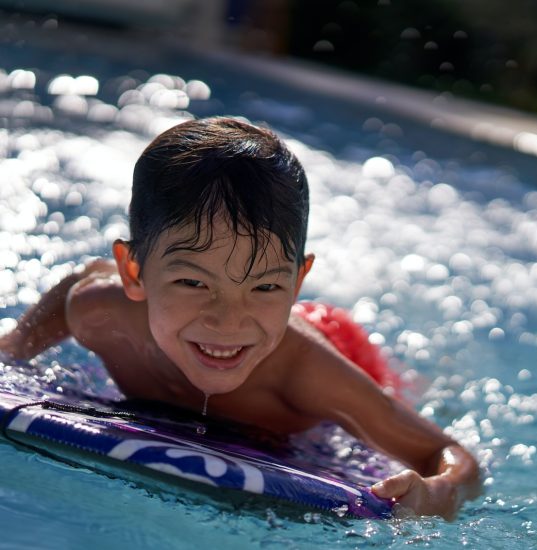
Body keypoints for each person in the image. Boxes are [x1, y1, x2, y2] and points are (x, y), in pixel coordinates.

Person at [0, 117, 480, 520]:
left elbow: (453, 459)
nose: (227, 321)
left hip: (334, 340)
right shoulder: (100, 310)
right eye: (193, 283)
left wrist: (437, 492)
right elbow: (80, 281)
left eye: (267, 285)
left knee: (413, 392)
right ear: (134, 272)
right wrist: (16, 344)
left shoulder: (307, 373)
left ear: (296, 283)